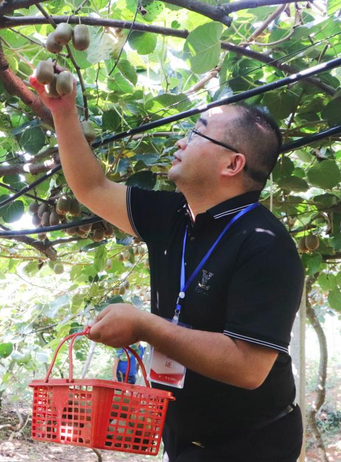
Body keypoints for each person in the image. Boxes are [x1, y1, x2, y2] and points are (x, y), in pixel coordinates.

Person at [30, 73, 304, 461]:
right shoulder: (174, 215)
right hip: (181, 437)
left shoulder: (265, 244)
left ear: (232, 163)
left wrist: (144, 325)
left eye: (196, 134)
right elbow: (92, 188)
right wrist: (63, 112)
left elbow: (248, 366)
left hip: (252, 446)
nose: (180, 142)